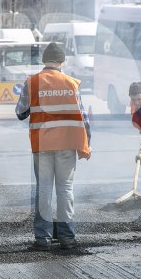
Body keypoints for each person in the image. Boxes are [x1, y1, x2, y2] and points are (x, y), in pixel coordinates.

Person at [16, 42, 91, 251]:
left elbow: (20, 112)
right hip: (67, 144)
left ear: (44, 61)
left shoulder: (32, 82)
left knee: (44, 190)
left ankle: (43, 239)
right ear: (62, 61)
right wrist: (87, 144)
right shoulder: (71, 83)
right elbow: (84, 118)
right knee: (65, 189)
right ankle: (67, 238)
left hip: (42, 144)